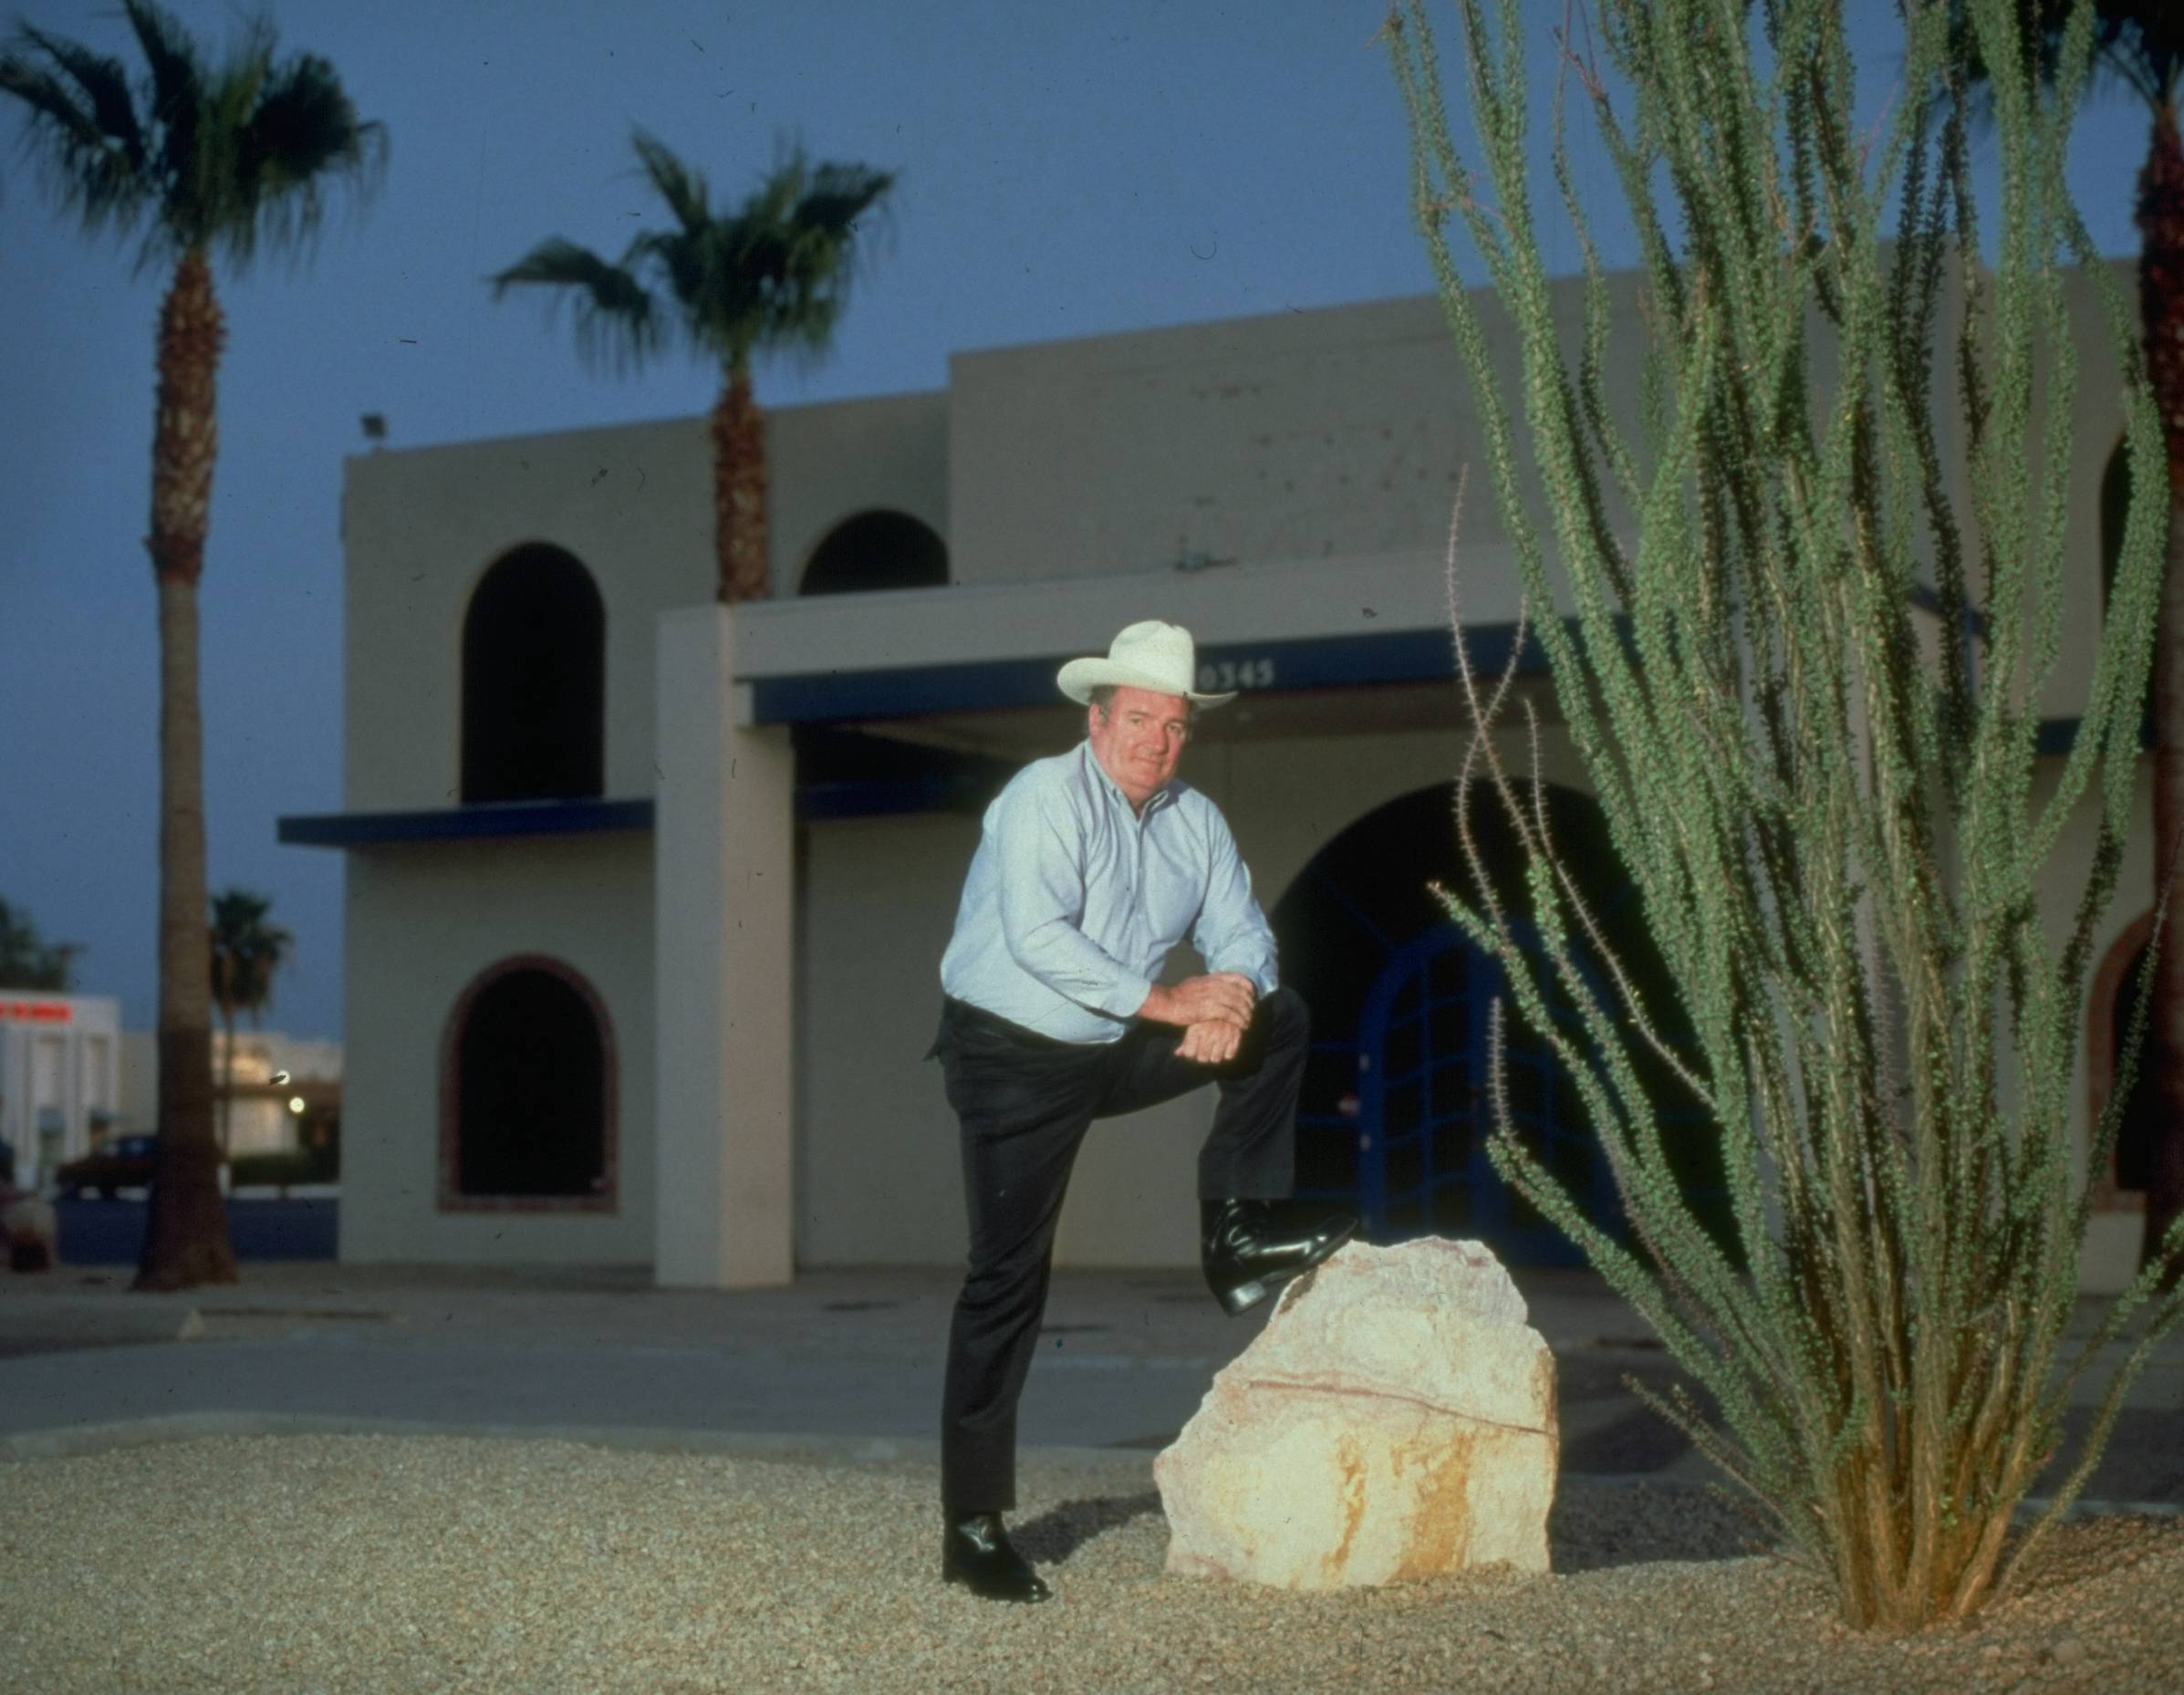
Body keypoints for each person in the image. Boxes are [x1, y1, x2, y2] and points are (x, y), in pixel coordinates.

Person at [927, 618, 1357, 1604]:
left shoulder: (1193, 819)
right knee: (1006, 1280)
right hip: (1011, 1057)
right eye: (1137, 719)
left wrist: (1230, 998)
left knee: (1280, 1018)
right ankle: (972, 1524)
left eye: (1173, 725)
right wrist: (1173, 1003)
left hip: (1114, 1042)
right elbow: (1040, 939)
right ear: (1098, 717)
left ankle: (1238, 1234)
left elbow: (1244, 931)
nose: (1155, 740)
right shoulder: (1041, 797)